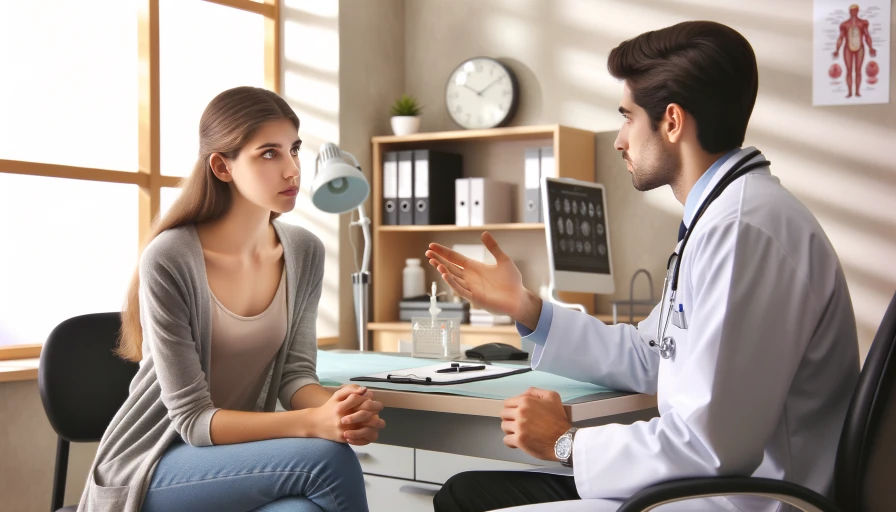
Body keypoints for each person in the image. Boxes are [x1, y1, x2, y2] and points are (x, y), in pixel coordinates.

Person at [428, 21, 859, 512]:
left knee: (468, 502)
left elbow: (710, 445)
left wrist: (565, 443)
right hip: (705, 487)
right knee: (468, 493)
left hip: (741, 499)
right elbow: (652, 353)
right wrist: (527, 308)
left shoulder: (742, 230)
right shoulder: (724, 216)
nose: (618, 140)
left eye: (627, 117)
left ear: (672, 122)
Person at [78, 86, 384, 512]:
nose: (293, 170)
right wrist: (312, 424)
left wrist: (340, 408)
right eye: (269, 154)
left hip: (230, 458)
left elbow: (295, 376)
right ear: (222, 167)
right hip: (151, 464)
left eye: (293, 150)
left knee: (303, 510)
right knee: (326, 461)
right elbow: (192, 420)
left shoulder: (304, 251)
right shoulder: (170, 258)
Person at [833, 3, 877, 98]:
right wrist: (837, 49)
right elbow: (840, 38)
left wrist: (870, 48)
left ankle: (857, 92)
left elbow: (867, 36)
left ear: (857, 11)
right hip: (847, 48)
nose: (853, 12)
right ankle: (849, 92)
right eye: (851, 10)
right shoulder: (844, 24)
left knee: (858, 70)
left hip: (860, 48)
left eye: (854, 10)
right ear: (849, 11)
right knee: (849, 71)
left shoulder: (863, 23)